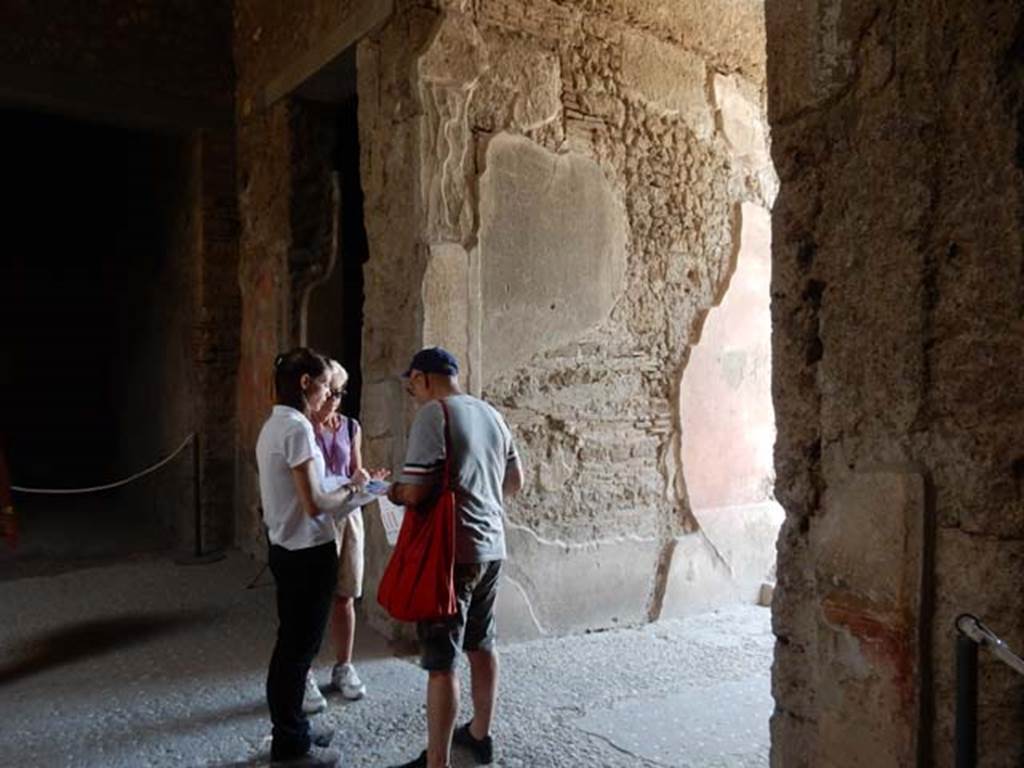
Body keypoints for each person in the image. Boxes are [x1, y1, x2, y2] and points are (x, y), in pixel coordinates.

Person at [387, 347, 523, 768]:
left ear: (425, 378)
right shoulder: (491, 414)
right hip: (491, 547)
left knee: (441, 663)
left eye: (412, 384)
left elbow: (415, 490)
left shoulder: (434, 415)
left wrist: (391, 491)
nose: (412, 392)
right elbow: (515, 482)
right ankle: (480, 735)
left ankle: (438, 763)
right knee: (482, 644)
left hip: (449, 556)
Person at [256, 348, 367, 767]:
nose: (329, 396)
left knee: (292, 647)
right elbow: (315, 502)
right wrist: (355, 491)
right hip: (307, 552)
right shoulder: (299, 428)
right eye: (326, 386)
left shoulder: (274, 425)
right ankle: (291, 745)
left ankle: (294, 729)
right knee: (296, 652)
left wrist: (344, 489)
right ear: (306, 384)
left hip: (285, 547)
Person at [302, 359, 376, 713]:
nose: (335, 400)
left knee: (346, 593)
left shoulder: (350, 427)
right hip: (317, 518)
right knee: (311, 598)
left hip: (347, 516)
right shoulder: (303, 429)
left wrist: (363, 477)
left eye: (341, 393)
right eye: (330, 392)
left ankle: (344, 666)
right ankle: (303, 672)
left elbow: (353, 468)